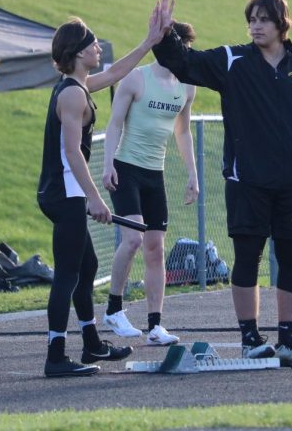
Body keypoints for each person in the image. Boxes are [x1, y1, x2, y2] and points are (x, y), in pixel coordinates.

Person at [152, 0, 292, 368]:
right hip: (247, 181)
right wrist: (165, 35)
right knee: (248, 257)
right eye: (251, 19)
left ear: (282, 23)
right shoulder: (232, 61)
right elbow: (184, 63)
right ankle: (250, 339)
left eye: (263, 19)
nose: (255, 26)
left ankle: (289, 339)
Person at [37, 0, 173, 378]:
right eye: (93, 43)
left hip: (69, 192)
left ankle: (92, 342)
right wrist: (95, 199)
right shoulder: (70, 94)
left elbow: (115, 75)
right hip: (64, 194)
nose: (99, 48)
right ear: (78, 53)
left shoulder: (79, 86)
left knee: (87, 265)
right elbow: (71, 153)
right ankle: (55, 356)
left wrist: (149, 41)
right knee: (67, 273)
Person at [101, 21, 199, 345]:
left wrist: (192, 174)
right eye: (179, 46)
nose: (183, 53)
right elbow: (114, 123)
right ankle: (113, 309)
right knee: (132, 241)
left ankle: (155, 326)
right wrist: (107, 164)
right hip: (126, 169)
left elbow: (182, 131)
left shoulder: (186, 86)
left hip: (154, 174)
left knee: (156, 249)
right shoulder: (136, 78)